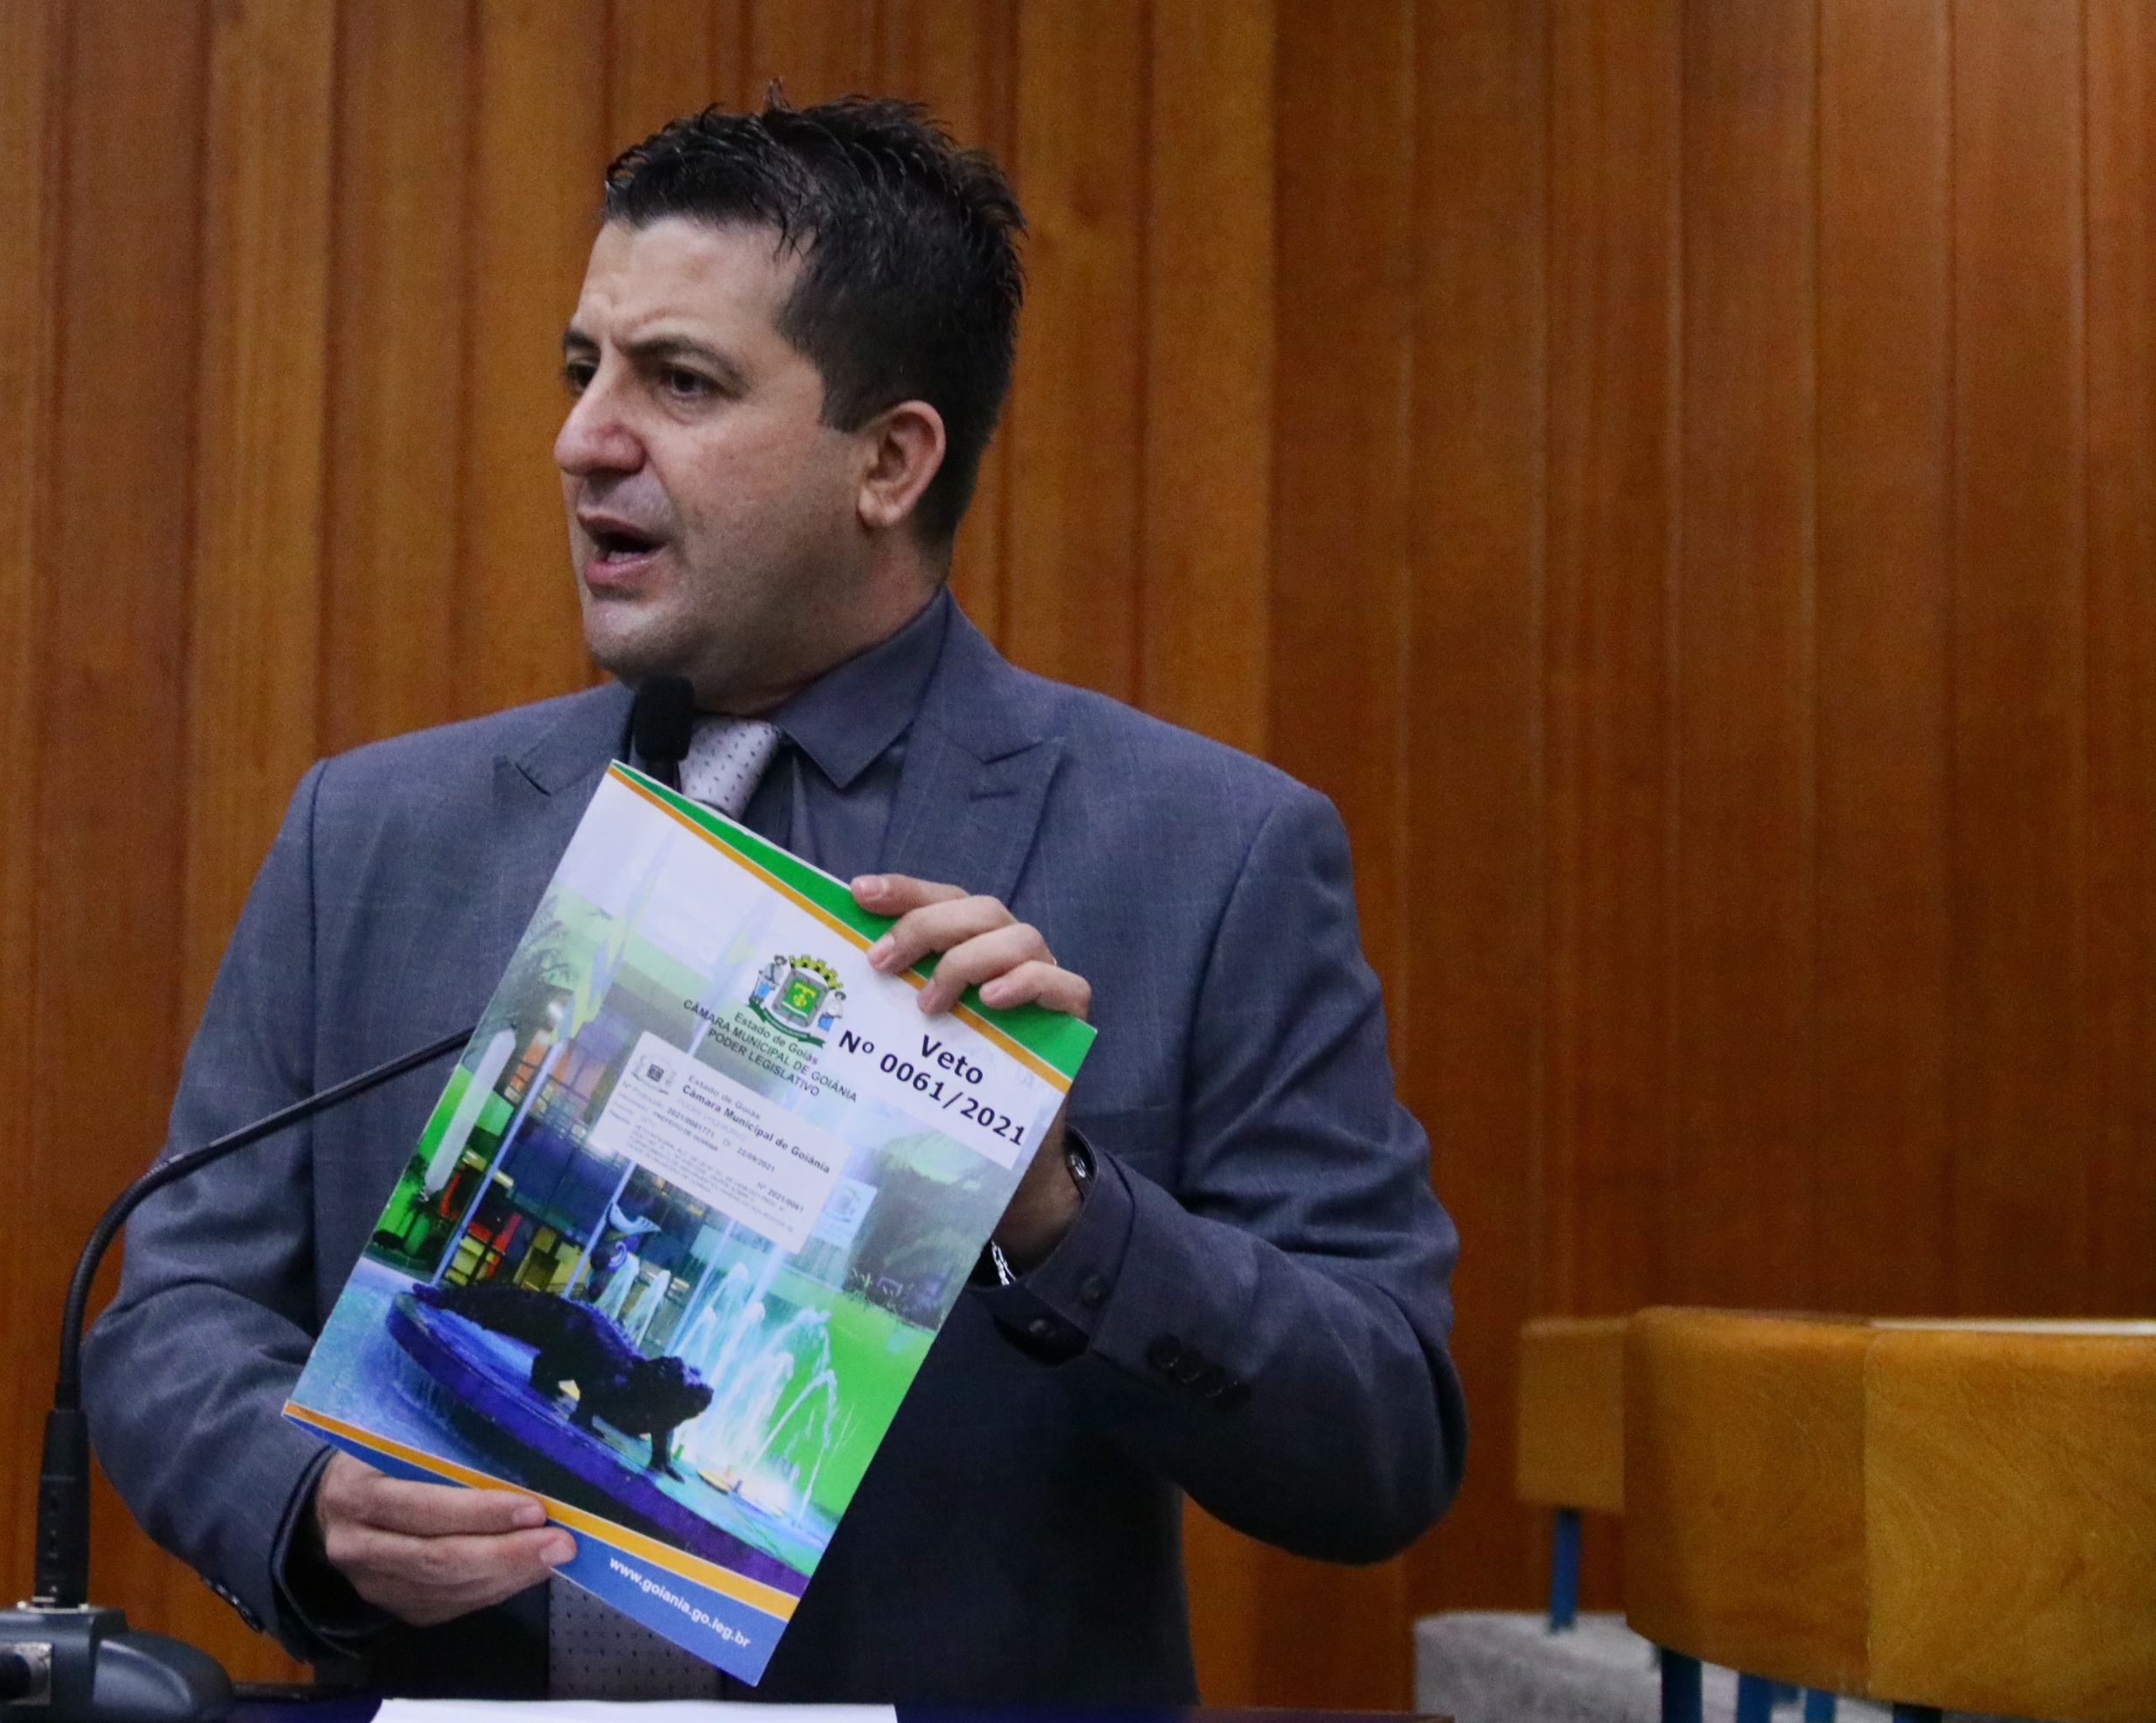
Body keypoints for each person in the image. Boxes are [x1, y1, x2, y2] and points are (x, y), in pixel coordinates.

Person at [86, 94, 1463, 1703]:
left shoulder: (1207, 854)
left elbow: (1382, 1441)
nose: (586, 439)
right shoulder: (377, 835)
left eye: (681, 382)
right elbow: (177, 1308)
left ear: (889, 461)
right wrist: (307, 1504)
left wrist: (1065, 1217)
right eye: (583, 370)